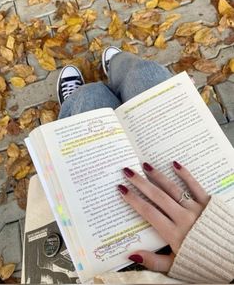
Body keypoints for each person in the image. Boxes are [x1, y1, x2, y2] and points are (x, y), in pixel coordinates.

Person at [57, 47, 234, 284]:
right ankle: (116, 65)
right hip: (221, 210)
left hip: (146, 262)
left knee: (90, 98)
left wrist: (213, 265)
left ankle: (76, 100)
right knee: (145, 72)